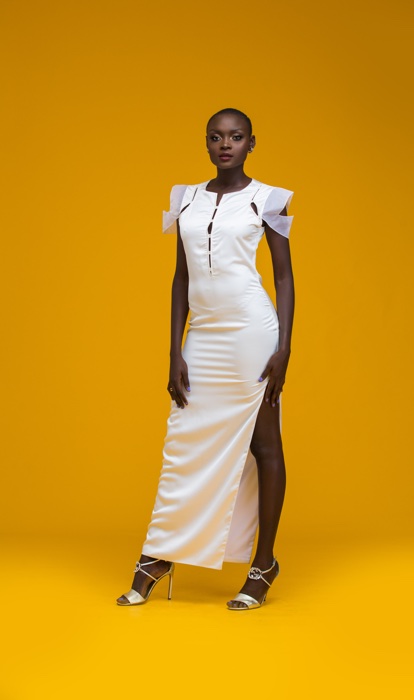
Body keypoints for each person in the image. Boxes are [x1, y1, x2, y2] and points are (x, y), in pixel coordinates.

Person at [117, 108, 295, 610]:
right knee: (185, 442)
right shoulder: (186, 198)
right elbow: (181, 278)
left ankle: (264, 563)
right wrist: (175, 350)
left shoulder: (269, 199)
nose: (226, 144)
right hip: (204, 333)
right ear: (207, 143)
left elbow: (283, 276)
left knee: (263, 445)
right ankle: (161, 553)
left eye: (236, 137)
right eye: (216, 137)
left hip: (252, 332)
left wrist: (284, 347)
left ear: (251, 143)